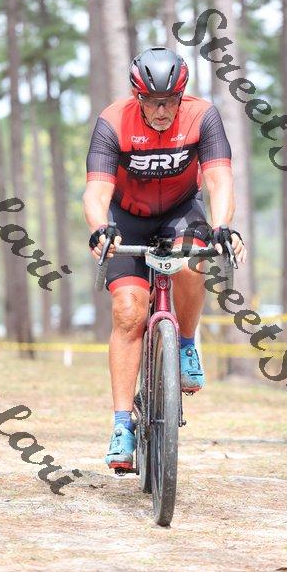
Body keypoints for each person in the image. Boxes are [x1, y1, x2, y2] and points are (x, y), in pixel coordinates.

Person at [83, 46, 247, 471]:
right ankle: (122, 425)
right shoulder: (113, 121)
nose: (162, 111)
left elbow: (219, 178)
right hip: (126, 218)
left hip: (180, 212)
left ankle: (186, 345)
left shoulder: (202, 116)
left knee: (192, 259)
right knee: (128, 313)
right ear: (137, 97)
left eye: (170, 101)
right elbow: (96, 189)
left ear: (181, 95)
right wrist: (100, 227)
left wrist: (222, 225)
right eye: (152, 102)